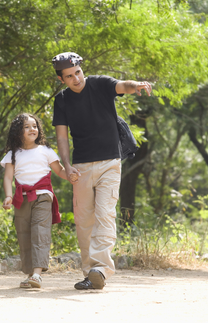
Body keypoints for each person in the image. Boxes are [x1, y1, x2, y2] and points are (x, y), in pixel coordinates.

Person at [51, 52, 152, 290]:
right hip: (82, 166)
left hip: (110, 162)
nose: (76, 78)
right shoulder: (62, 100)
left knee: (105, 214)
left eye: (78, 72)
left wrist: (135, 85)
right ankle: (90, 274)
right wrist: (67, 165)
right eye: (69, 76)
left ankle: (101, 269)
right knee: (84, 221)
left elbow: (122, 85)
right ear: (61, 79)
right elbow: (62, 138)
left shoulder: (99, 83)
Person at [1, 113, 72, 288]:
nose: (32, 129)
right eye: (27, 126)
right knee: (24, 234)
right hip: (21, 199)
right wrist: (9, 196)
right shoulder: (13, 154)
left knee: (40, 232)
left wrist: (71, 176)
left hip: (43, 196)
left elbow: (60, 170)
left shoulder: (46, 150)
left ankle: (38, 274)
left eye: (34, 126)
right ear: (18, 131)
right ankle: (31, 274)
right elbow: (7, 177)